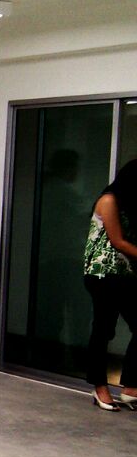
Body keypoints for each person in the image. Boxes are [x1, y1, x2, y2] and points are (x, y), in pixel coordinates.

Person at [83, 159, 137, 411]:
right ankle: (99, 386)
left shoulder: (129, 204)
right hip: (102, 273)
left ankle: (130, 387)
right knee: (103, 330)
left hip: (124, 274)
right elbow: (117, 241)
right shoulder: (109, 200)